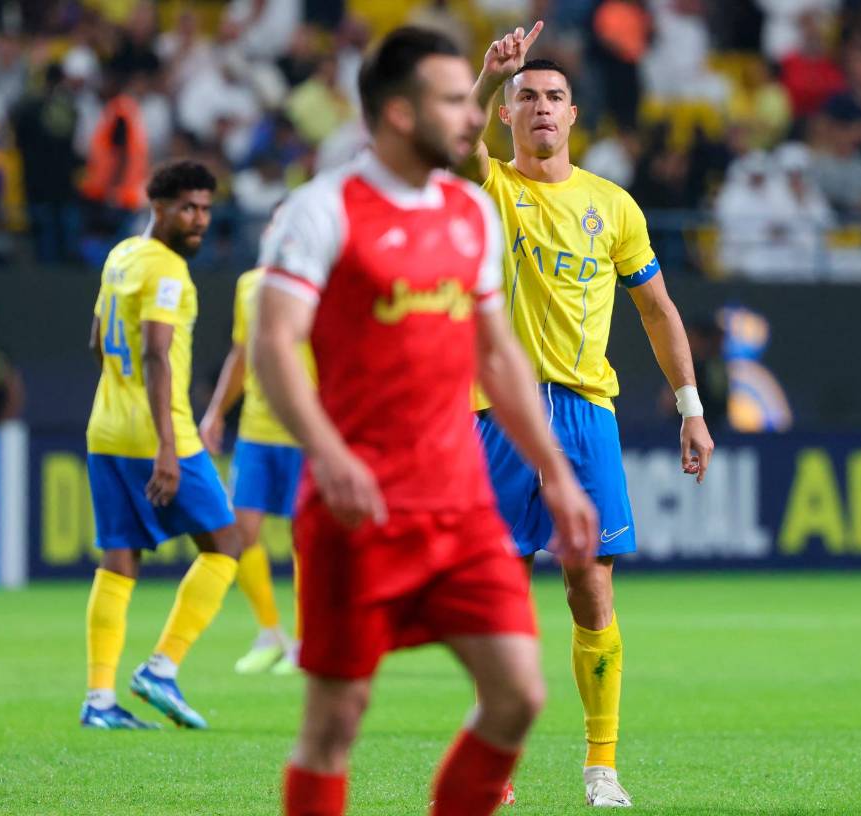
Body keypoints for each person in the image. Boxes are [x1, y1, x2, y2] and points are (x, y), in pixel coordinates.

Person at [252, 27, 598, 816]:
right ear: (401, 114)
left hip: (461, 508)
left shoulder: (469, 212)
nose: (474, 116)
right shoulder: (319, 212)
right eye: (453, 100)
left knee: (517, 695)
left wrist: (558, 473)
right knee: (334, 722)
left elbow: (499, 357)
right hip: (357, 509)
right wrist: (328, 453)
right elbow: (274, 345)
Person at [461, 22, 715, 807]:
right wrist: (483, 77)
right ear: (507, 116)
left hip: (583, 413)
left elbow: (659, 311)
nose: (540, 108)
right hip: (497, 414)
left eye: (553, 98)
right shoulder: (490, 186)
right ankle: (491, 766)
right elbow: (446, 147)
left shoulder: (613, 205)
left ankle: (600, 766)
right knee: (496, 596)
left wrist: (691, 408)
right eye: (525, 98)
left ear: (574, 115)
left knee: (589, 588)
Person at [81, 160, 243, 730]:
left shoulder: (121, 255)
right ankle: (161, 667)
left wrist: (118, 401)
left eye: (205, 209)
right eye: (188, 209)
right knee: (227, 542)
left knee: (119, 558)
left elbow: (97, 340)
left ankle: (99, 700)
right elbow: (153, 352)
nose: (199, 220)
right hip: (159, 433)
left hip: (105, 429)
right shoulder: (168, 269)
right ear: (159, 208)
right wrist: (168, 448)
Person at [200, 263, 316, 675]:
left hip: (304, 428)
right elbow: (242, 351)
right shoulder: (248, 283)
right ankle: (271, 632)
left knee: (306, 538)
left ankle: (306, 642)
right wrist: (216, 412)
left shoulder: (317, 281)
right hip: (255, 430)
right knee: (239, 531)